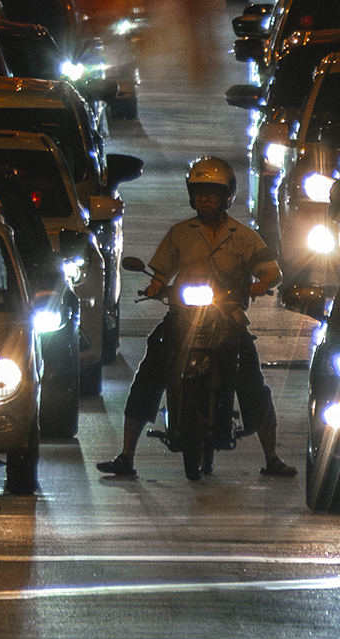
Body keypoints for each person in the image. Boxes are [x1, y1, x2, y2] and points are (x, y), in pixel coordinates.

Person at [98, 157, 292, 481]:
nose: (204, 199)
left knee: (251, 379)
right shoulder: (180, 234)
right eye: (198, 193)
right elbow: (162, 271)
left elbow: (272, 271)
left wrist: (263, 283)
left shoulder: (244, 236)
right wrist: (155, 285)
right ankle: (126, 454)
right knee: (150, 371)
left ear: (227, 197)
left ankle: (272, 457)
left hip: (228, 317)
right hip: (183, 315)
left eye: (211, 194)